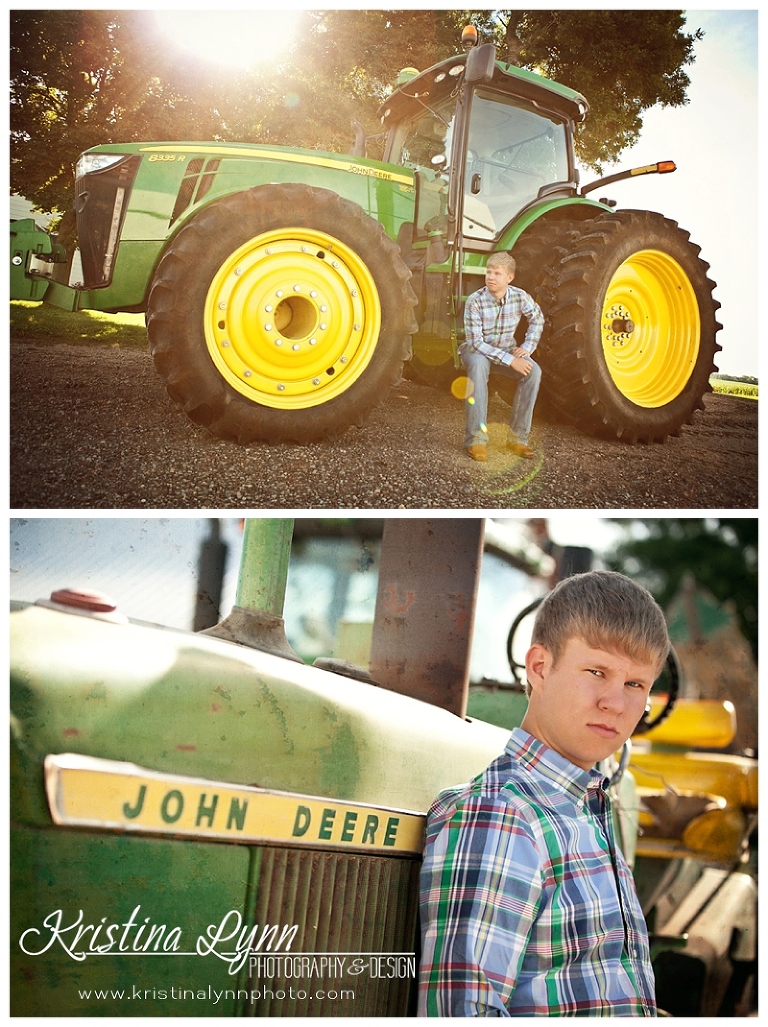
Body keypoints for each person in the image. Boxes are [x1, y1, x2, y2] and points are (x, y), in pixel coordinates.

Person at [418, 570, 669, 1017]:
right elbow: (462, 1013)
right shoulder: (502, 813)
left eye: (636, 684)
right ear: (539, 667)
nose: (616, 702)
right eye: (597, 672)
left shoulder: (584, 806)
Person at [460, 252, 544, 463]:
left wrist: (527, 347)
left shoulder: (519, 297)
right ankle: (476, 439)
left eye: (497, 273)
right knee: (478, 366)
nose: (491, 277)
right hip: (476, 351)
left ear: (509, 277)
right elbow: (475, 344)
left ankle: (518, 438)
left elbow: (537, 317)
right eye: (489, 271)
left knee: (533, 371)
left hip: (507, 350)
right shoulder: (475, 301)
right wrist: (511, 361)